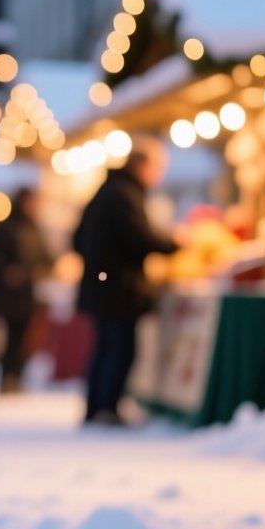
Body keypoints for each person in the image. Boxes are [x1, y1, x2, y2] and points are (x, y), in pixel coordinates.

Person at [72, 137, 178, 426]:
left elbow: (78, 240)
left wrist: (98, 268)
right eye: (158, 168)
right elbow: (139, 237)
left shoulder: (107, 190)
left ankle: (97, 407)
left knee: (106, 347)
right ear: (143, 166)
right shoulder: (124, 194)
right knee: (119, 348)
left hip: (103, 284)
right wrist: (175, 243)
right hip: (118, 288)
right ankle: (105, 408)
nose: (158, 176)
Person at [0, 187, 53, 394]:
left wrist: (42, 268)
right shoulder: (6, 228)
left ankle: (17, 376)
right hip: (9, 296)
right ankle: (6, 377)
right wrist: (6, 271)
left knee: (24, 339)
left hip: (28, 294)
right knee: (10, 338)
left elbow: (45, 257)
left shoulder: (34, 228)